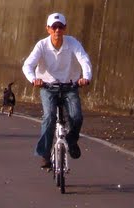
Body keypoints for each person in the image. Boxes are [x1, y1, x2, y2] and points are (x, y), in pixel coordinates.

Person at [22, 12, 92, 168]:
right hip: (48, 87)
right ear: (48, 29)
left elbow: (84, 60)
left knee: (76, 117)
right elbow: (27, 65)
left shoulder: (72, 43)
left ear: (65, 28)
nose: (57, 31)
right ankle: (45, 153)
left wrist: (85, 77)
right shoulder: (41, 45)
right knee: (49, 117)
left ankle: (71, 141)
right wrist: (34, 79)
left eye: (60, 27)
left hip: (70, 86)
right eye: (54, 27)